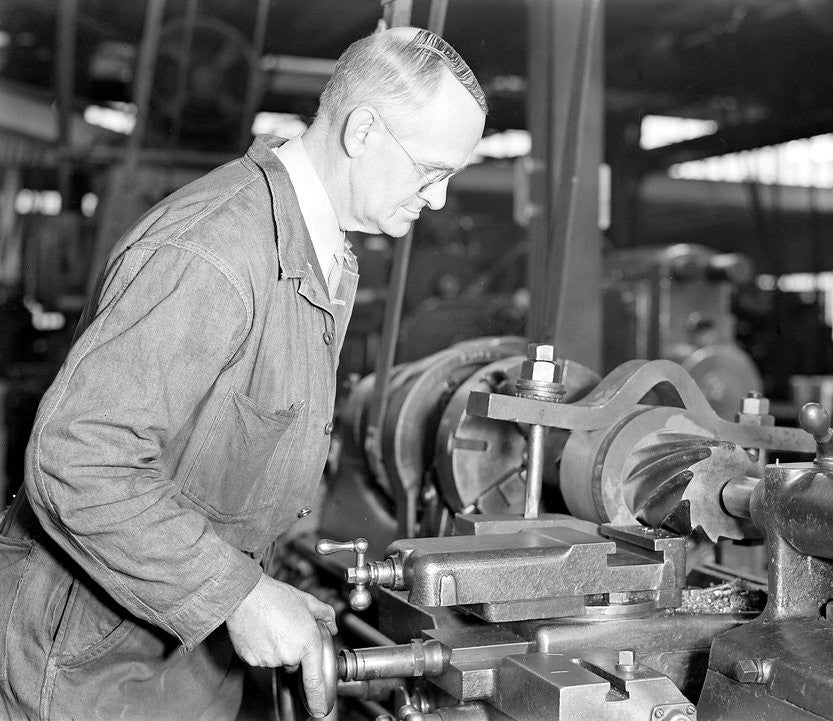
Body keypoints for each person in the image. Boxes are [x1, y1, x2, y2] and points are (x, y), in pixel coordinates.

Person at [0, 26, 487, 721]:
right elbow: (78, 456)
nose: (438, 199)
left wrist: (267, 584)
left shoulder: (323, 258)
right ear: (364, 131)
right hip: (83, 666)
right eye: (432, 171)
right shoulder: (215, 249)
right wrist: (240, 594)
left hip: (178, 659)